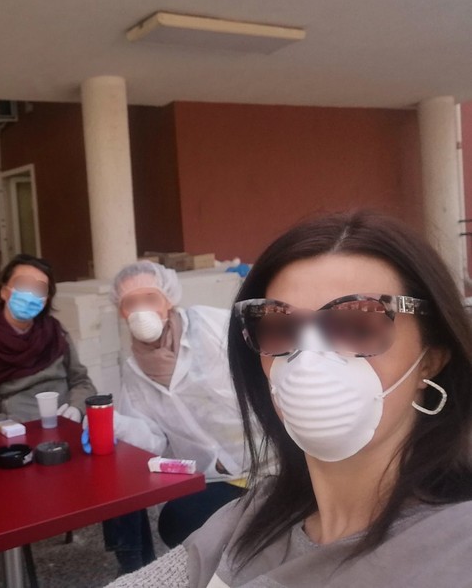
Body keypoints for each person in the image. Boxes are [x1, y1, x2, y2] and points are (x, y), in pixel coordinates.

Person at [106, 210, 472, 587]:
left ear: (430, 359)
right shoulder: (247, 519)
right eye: (279, 325)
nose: (309, 357)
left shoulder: (456, 545)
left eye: (358, 322)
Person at [96, 261, 251, 574]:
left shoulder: (213, 326)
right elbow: (152, 439)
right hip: (215, 476)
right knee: (176, 522)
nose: (141, 310)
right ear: (121, 312)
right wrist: (116, 425)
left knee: (249, 531)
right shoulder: (135, 369)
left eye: (150, 298)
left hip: (268, 461)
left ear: (168, 300)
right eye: (131, 303)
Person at [0, 254, 96, 433]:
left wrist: (76, 409)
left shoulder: (54, 332)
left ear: (46, 299)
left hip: (67, 426)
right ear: (4, 291)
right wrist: (16, 433)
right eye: (23, 285)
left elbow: (81, 381)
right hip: (16, 436)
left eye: (39, 289)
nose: (30, 294)